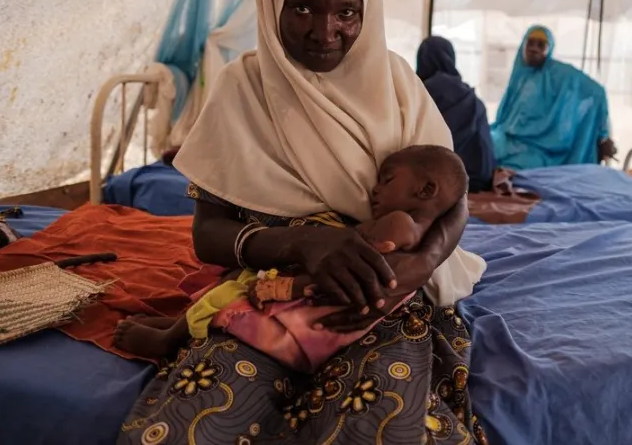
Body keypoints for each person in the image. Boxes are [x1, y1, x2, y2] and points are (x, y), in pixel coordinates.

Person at [117, 0, 488, 445]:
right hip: (271, 299)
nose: (325, 31)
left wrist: (422, 264)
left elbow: (453, 197)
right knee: (189, 427)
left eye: (347, 11)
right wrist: (306, 243)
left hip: (377, 302)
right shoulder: (242, 89)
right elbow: (207, 234)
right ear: (270, 0)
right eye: (302, 7)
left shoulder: (398, 86)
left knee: (381, 427)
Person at [112, 145, 469, 373]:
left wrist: (284, 286)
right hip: (315, 274)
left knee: (231, 298)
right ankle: (178, 323)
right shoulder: (240, 88)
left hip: (323, 299)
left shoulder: (398, 223)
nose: (375, 188)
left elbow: (352, 271)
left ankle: (170, 339)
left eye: (387, 180)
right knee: (233, 280)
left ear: (424, 191)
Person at [491, 25, 616, 170]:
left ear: (549, 49)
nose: (534, 49)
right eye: (530, 43)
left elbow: (596, 92)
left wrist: (602, 135)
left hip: (541, 149)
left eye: (541, 45)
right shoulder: (519, 75)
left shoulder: (559, 74)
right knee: (479, 145)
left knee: (512, 164)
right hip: (509, 137)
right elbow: (503, 118)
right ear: (523, 46)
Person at [416, 36, 498, 192]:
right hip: (477, 179)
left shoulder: (418, 93)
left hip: (432, 183)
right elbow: (485, 148)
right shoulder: (471, 97)